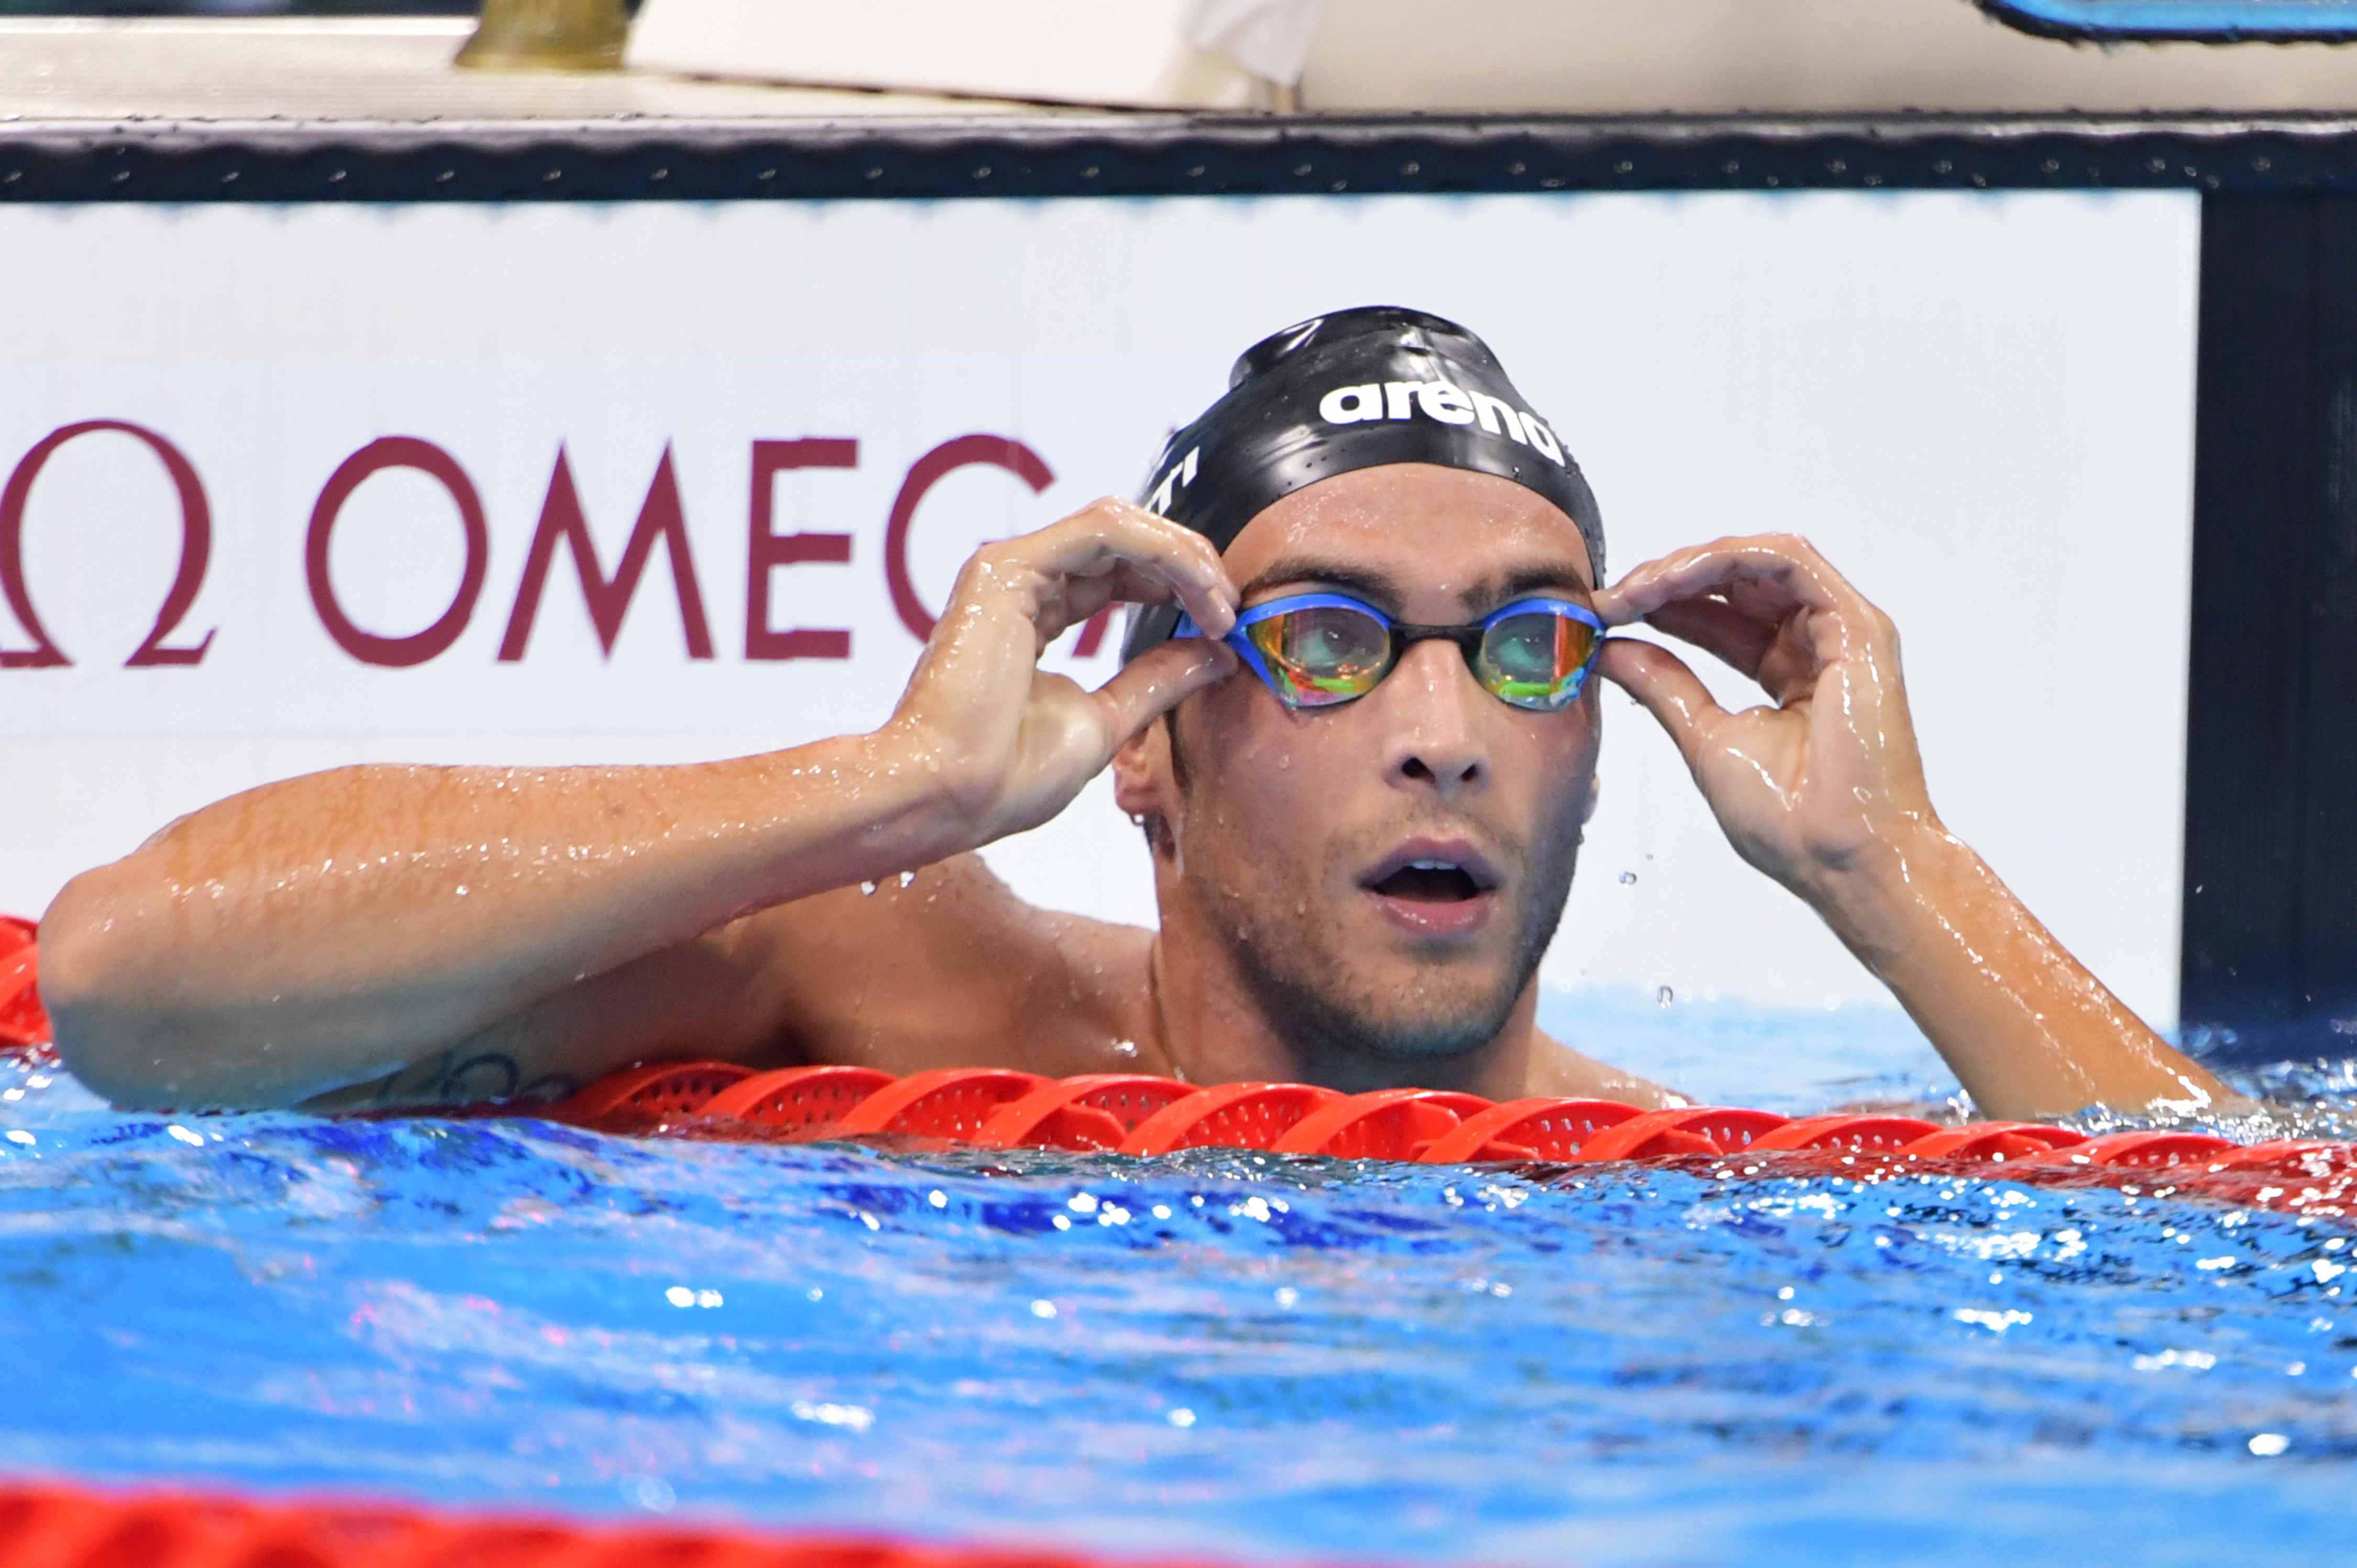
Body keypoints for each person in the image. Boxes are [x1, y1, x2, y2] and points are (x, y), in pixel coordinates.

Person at [37, 307, 2233, 1124]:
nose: (1449, 723)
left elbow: (2278, 1287)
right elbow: (136, 995)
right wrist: (881, 788)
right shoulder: (884, 983)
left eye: (1530, 643)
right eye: (1330, 642)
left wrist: (1896, 876)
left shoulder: (1667, 1161)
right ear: (1151, 757)